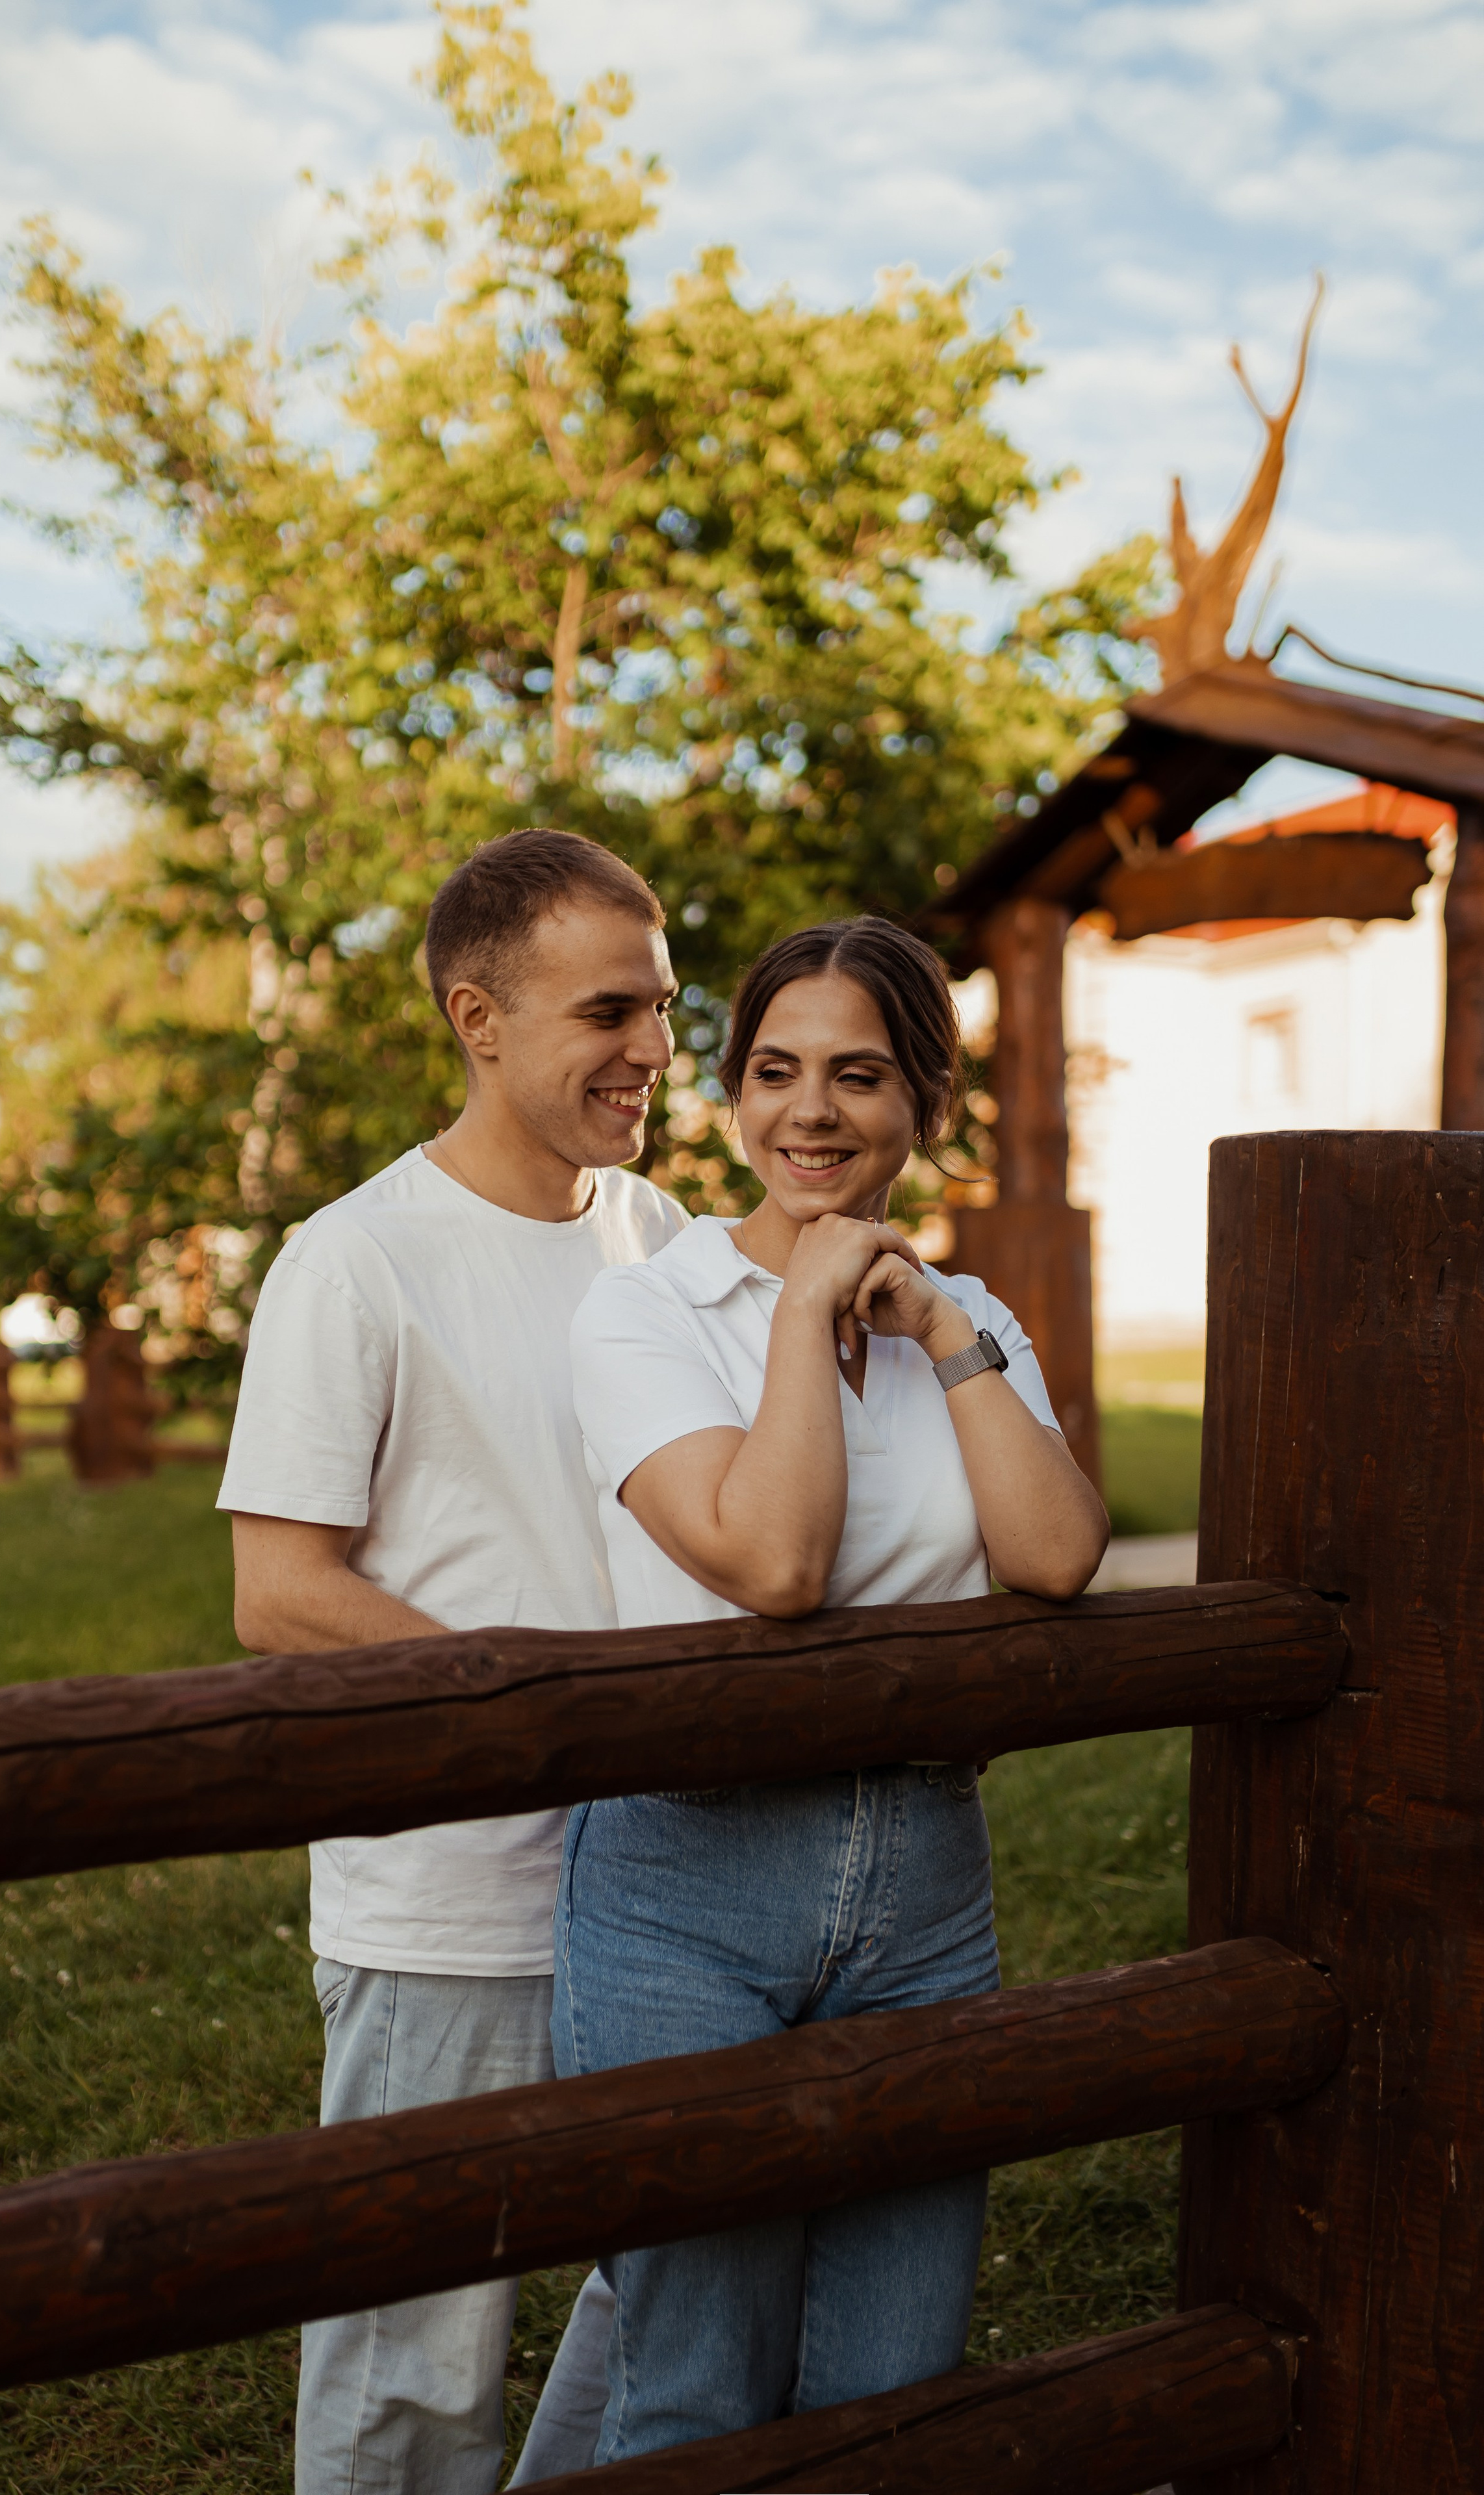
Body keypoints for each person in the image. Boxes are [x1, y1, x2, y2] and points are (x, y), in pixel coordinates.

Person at [557, 914, 1108, 2464]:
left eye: (859, 1075)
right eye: (775, 1071)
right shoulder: (643, 1312)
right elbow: (771, 1559)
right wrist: (802, 1307)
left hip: (926, 1891)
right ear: (731, 1095)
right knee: (695, 2394)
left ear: (921, 1108)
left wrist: (935, 1325)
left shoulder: (972, 1322)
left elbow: (1058, 1557)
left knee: (892, 2388)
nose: (810, 1111)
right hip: (685, 1882)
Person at [216, 828, 685, 2495]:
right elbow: (279, 1590)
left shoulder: (662, 1233)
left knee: (686, 2278)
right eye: (609, 1012)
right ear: (478, 1018)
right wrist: (544, 1714)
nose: (652, 1052)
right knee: (414, 2355)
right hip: (448, 1904)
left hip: (669, 1877)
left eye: (663, 1009)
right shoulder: (356, 1260)